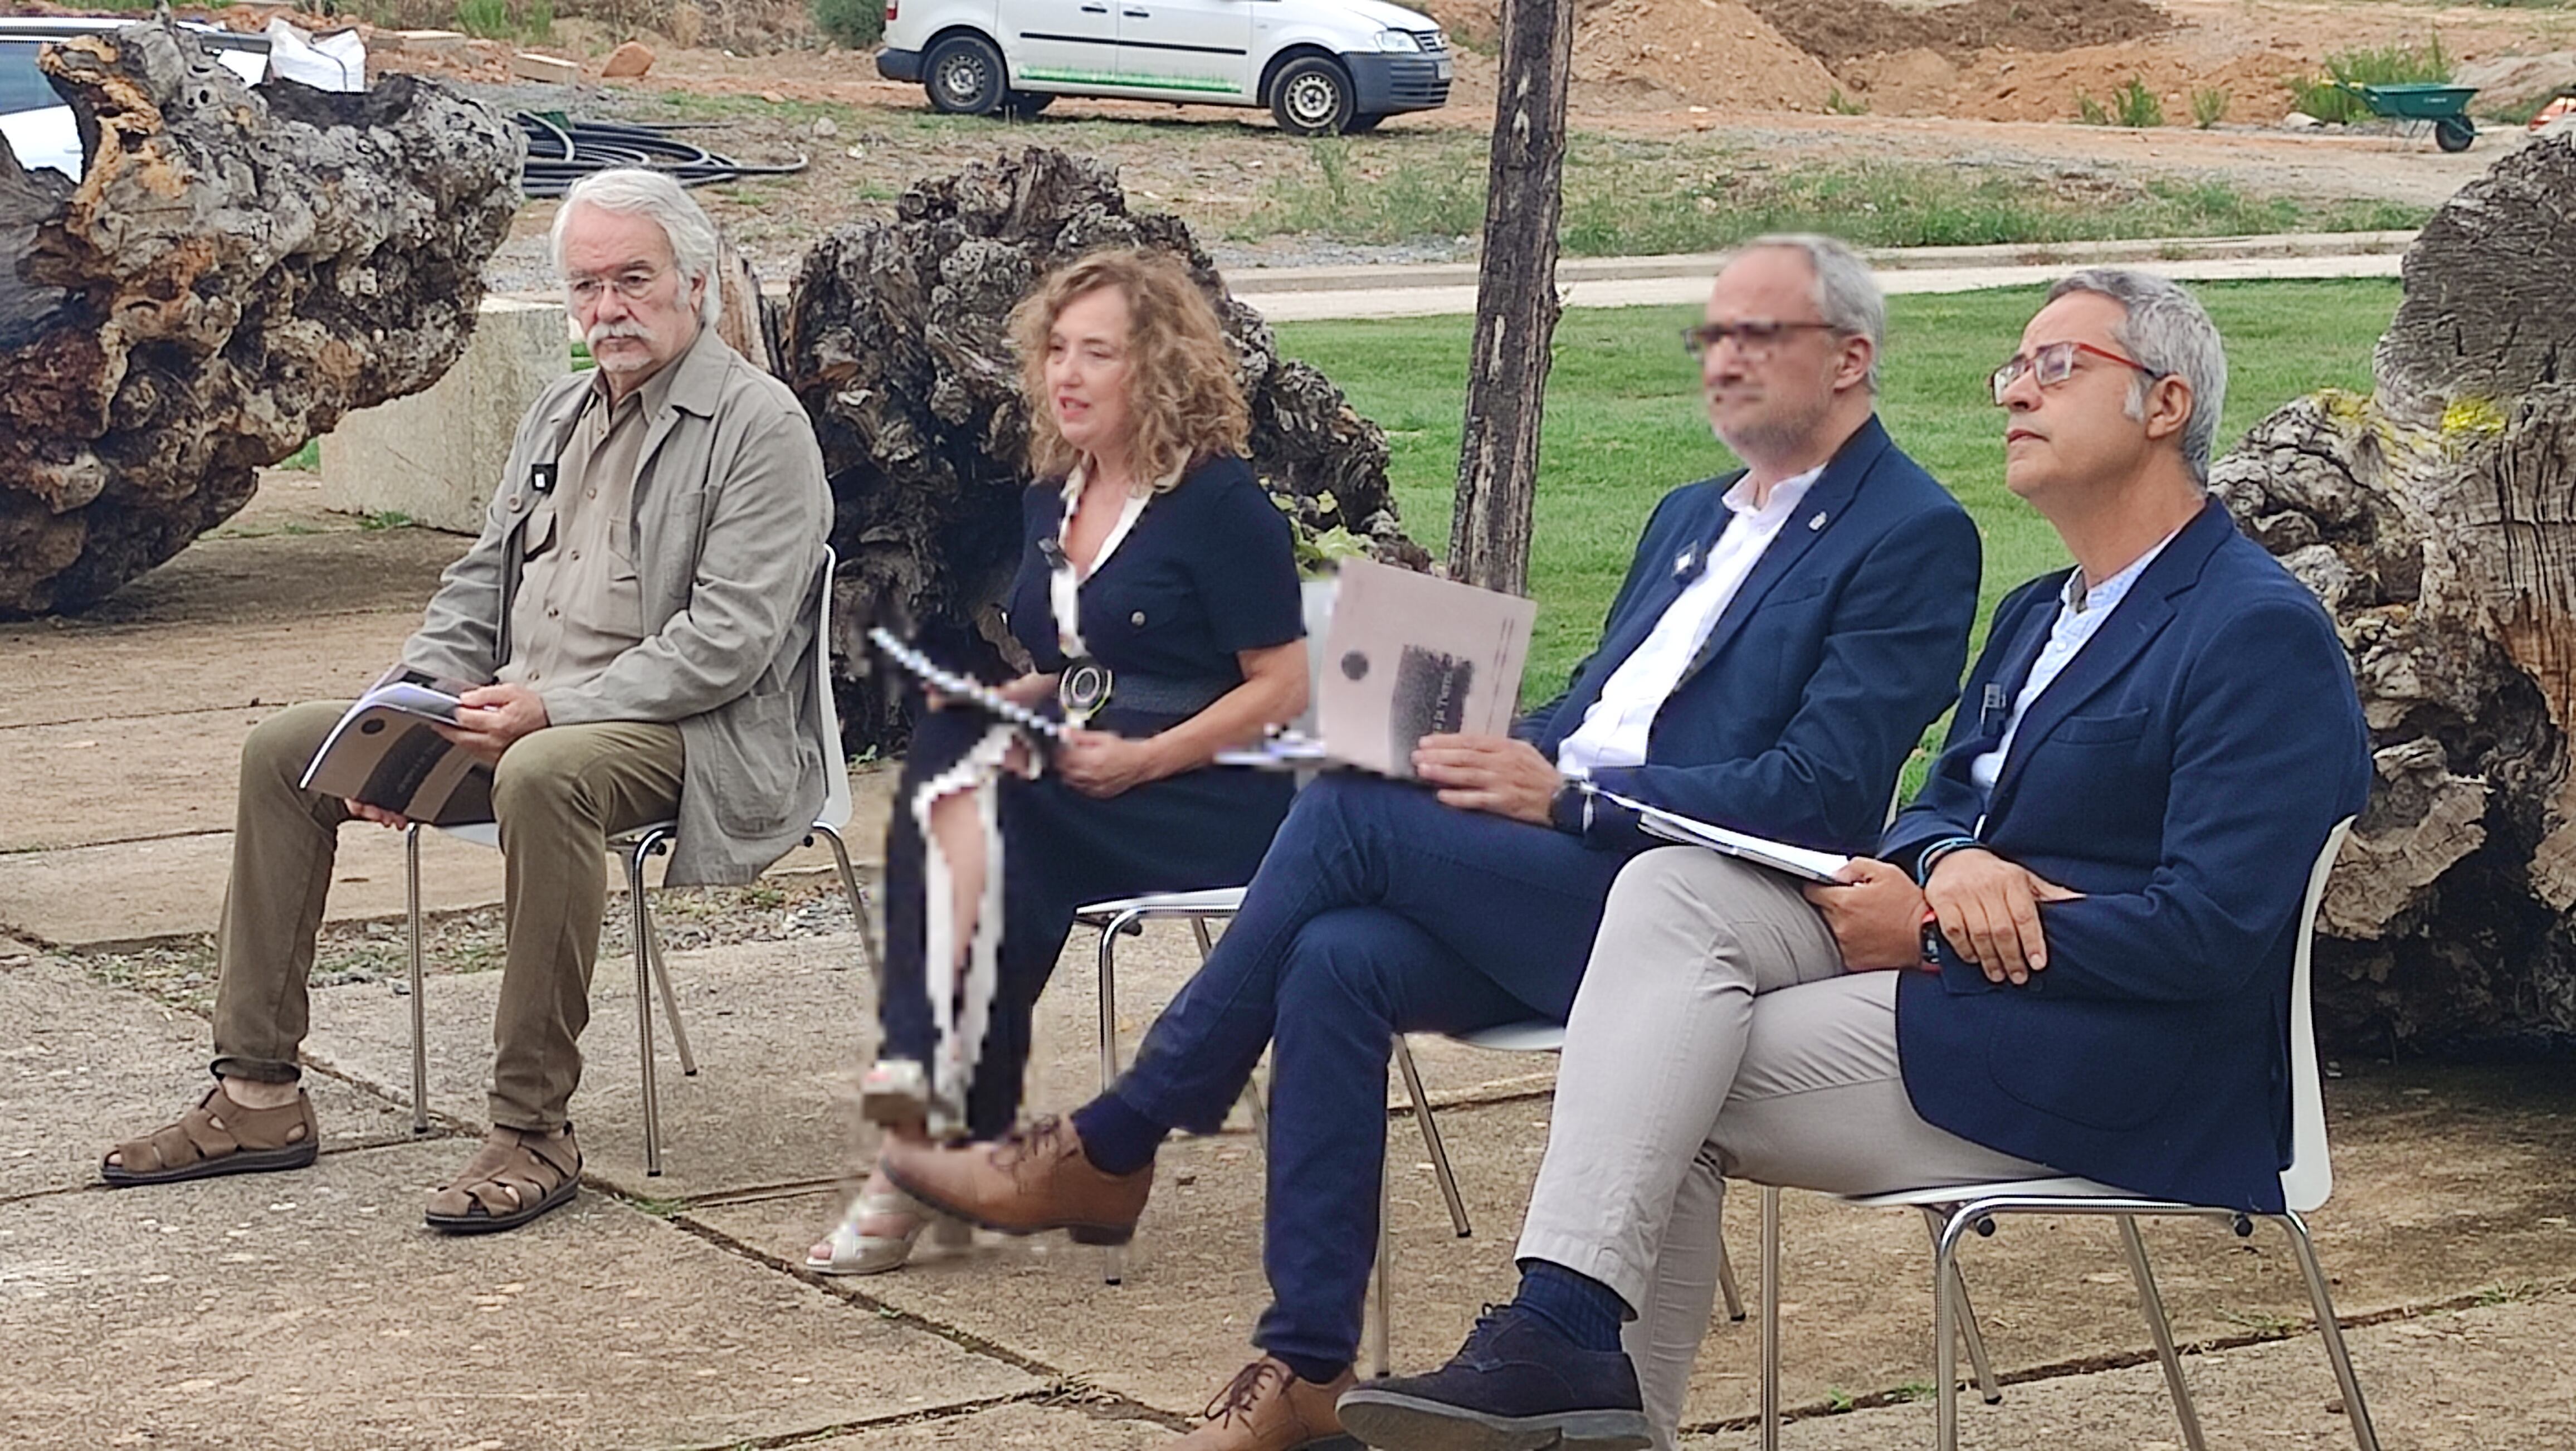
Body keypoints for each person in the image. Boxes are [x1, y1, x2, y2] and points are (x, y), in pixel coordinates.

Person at [882, 235, 1985, 1450]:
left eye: (1754, 337)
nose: (1719, 361)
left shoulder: (1911, 533)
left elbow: (1812, 795)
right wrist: (1464, 740)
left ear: (1848, 359)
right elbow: (1588, 718)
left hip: (1704, 913)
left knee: (1350, 814)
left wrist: (1555, 795)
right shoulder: (1688, 515)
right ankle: (1304, 1364)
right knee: (1337, 951)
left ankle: (1122, 1133)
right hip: (1570, 881)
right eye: (1711, 335)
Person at [1335, 269, 2373, 1451]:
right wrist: (1951, 870)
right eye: (2010, 369)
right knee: (1669, 894)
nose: (2012, 396)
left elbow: (2212, 934)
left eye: (2054, 367)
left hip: (2128, 1059)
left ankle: (1568, 1357)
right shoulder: (2040, 611)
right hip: (1972, 986)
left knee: (1657, 1081)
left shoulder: (2253, 631)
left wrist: (1932, 928)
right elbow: (1928, 813)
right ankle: (1563, 1338)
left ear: (2164, 402)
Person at [98, 168, 833, 1235]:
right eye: (586, 287)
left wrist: (549, 708)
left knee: (542, 777)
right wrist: (406, 715)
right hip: (513, 714)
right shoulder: (557, 412)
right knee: (284, 752)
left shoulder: (760, 427)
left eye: (634, 279)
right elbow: (477, 587)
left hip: (691, 737)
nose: (607, 310)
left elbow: (727, 647)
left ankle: (533, 1127)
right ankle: (257, 1096)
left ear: (699, 282)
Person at [805, 249, 1311, 1276]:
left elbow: (1283, 685)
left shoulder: (1220, 505)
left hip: (1225, 791)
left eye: (1099, 355)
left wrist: (1149, 757)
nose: (1067, 376)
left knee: (995, 821)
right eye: (1057, 352)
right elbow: (1082, 663)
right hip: (1095, 780)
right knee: (975, 811)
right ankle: (942, 1142)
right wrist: (1016, 698)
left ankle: (923, 1151)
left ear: (1159, 370)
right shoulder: (1053, 495)